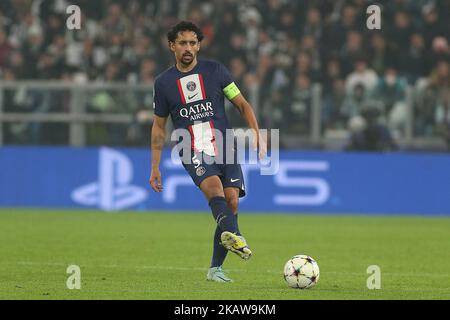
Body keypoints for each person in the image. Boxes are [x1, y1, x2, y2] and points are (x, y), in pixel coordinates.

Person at [149, 21, 266, 283]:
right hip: (189, 145)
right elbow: (158, 127)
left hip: (224, 144)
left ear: (199, 45)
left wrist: (257, 133)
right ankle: (237, 237)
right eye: (182, 43)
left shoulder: (216, 71)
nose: (188, 48)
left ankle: (216, 268)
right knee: (214, 189)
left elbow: (242, 104)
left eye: (192, 43)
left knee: (232, 201)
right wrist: (154, 167)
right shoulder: (164, 83)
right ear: (172, 46)